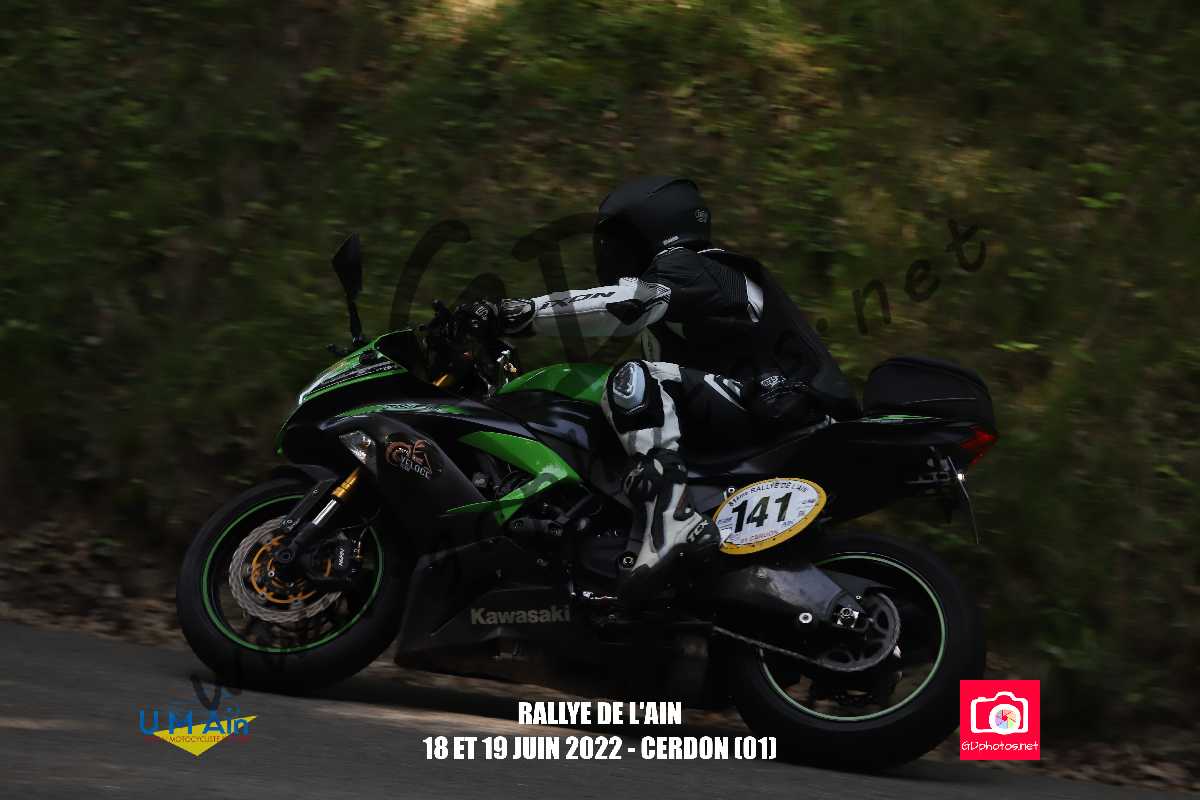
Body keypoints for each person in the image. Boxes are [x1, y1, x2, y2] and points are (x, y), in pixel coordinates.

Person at [469, 176, 858, 607]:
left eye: (617, 238)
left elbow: (625, 303)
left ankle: (671, 523)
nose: (608, 252)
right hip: (759, 414)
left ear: (651, 228)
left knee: (633, 380)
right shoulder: (683, 307)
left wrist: (518, 313)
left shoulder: (693, 265)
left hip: (785, 405)